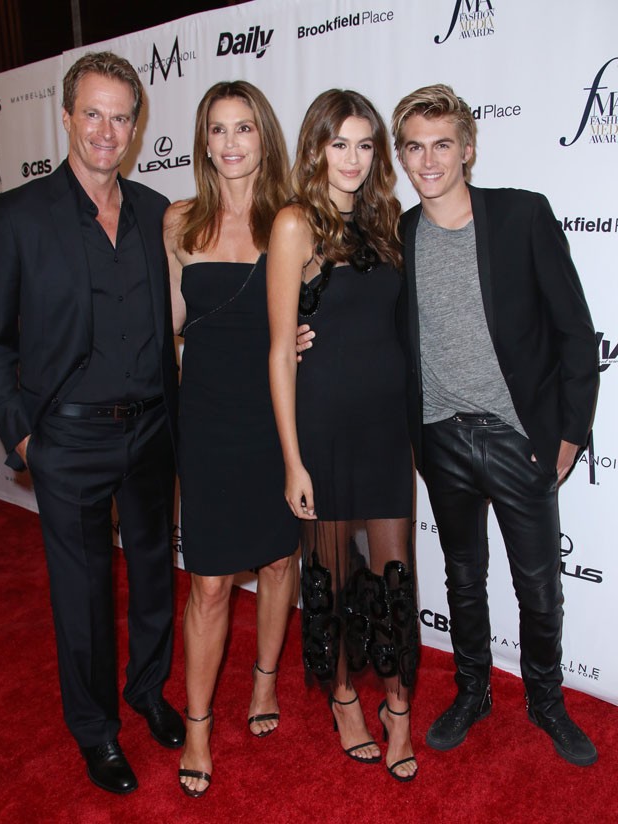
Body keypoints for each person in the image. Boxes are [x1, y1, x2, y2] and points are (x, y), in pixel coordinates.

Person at [0, 52, 185, 795]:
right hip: (67, 436)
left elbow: (194, 314)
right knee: (85, 595)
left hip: (153, 430)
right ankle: (96, 731)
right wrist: (24, 435)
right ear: (65, 116)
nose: (107, 130)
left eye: (120, 116)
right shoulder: (19, 216)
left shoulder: (161, 212)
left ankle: (148, 692)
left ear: (136, 127)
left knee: (156, 578)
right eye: (92, 113)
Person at [390, 84, 598, 765]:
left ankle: (546, 701)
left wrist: (570, 433)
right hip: (440, 436)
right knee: (462, 576)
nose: (428, 160)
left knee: (538, 584)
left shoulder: (520, 216)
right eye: (414, 146)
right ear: (402, 155)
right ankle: (473, 690)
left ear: (467, 150)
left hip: (518, 437)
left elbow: (574, 330)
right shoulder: (403, 230)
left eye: (441, 144)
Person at [268, 89, 419, 783]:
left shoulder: (387, 222)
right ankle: (344, 698)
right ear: (316, 147)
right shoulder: (298, 224)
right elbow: (277, 348)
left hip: (386, 424)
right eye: (340, 144)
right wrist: (293, 460)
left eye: (365, 144)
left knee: (392, 573)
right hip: (324, 420)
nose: (353, 159)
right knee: (327, 573)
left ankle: (398, 706)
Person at [163, 81, 299, 799]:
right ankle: (196, 726)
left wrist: (308, 336)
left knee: (279, 560)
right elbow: (176, 326)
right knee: (209, 583)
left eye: (244, 127)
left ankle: (266, 682)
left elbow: (316, 322)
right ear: (204, 141)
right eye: (218, 129)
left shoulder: (293, 222)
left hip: (277, 420)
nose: (231, 142)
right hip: (210, 422)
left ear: (263, 137)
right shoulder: (179, 222)